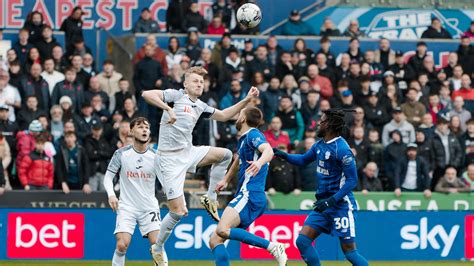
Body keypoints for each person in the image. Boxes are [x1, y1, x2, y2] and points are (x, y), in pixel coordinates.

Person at [142, 66, 259, 264]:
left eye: (202, 82)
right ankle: (158, 247)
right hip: (168, 160)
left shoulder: (200, 106)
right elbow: (147, 94)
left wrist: (246, 101)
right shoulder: (174, 96)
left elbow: (223, 115)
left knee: (225, 155)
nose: (199, 84)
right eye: (195, 81)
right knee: (178, 212)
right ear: (185, 83)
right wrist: (168, 108)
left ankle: (210, 197)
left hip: (188, 152)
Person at [273, 109, 368, 266]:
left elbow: (352, 181)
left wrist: (332, 200)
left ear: (329, 125)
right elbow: (303, 159)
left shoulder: (342, 149)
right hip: (323, 205)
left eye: (321, 121)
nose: (318, 123)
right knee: (302, 241)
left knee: (350, 252)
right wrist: (283, 155)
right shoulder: (319, 145)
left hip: (341, 205)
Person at [208, 107, 288, 266]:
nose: (236, 117)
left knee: (222, 230)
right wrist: (225, 179)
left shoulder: (253, 134)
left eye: (239, 114)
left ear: (243, 118)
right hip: (249, 195)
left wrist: (259, 162)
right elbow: (238, 161)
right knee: (215, 240)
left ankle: (273, 246)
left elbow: (268, 150)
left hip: (249, 194)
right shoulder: (244, 139)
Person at [103, 117, 168, 266]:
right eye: (140, 127)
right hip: (127, 207)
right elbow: (108, 177)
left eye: (147, 127)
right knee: (121, 245)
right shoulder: (121, 154)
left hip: (149, 207)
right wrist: (111, 194)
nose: (144, 129)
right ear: (131, 131)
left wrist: (176, 198)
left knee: (157, 246)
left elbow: (165, 181)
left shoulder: (156, 156)